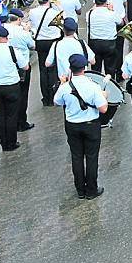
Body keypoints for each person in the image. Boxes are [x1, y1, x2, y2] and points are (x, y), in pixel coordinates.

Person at [53, 54, 109, 199]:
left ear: (71, 68)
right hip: (91, 125)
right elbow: (103, 109)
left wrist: (62, 83)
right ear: (84, 68)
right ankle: (91, 190)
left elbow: (57, 102)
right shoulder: (93, 86)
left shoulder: (65, 87)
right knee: (91, 157)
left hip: (72, 125)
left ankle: (80, 190)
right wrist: (104, 96)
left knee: (76, 157)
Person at [29, 0, 62, 106]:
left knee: (43, 69)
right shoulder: (54, 12)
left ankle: (46, 97)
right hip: (53, 41)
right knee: (53, 69)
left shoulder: (32, 12)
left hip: (40, 42)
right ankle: (53, 94)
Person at [5, 9, 36, 132]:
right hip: (22, 66)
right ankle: (21, 122)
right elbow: (33, 46)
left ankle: (12, 123)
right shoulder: (23, 33)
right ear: (18, 19)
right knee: (23, 95)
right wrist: (27, 31)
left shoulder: (3, 29)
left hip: (8, 65)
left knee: (13, 95)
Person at [45, 18, 94, 83]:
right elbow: (92, 61)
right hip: (80, 80)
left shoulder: (56, 44)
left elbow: (47, 64)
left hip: (63, 80)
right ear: (75, 30)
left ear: (63, 29)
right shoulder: (81, 43)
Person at [86, 0, 124, 76]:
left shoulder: (89, 13)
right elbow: (121, 23)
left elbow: (88, 15)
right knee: (110, 69)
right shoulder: (111, 13)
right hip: (109, 44)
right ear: (106, 2)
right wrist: (113, 10)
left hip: (94, 44)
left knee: (95, 70)